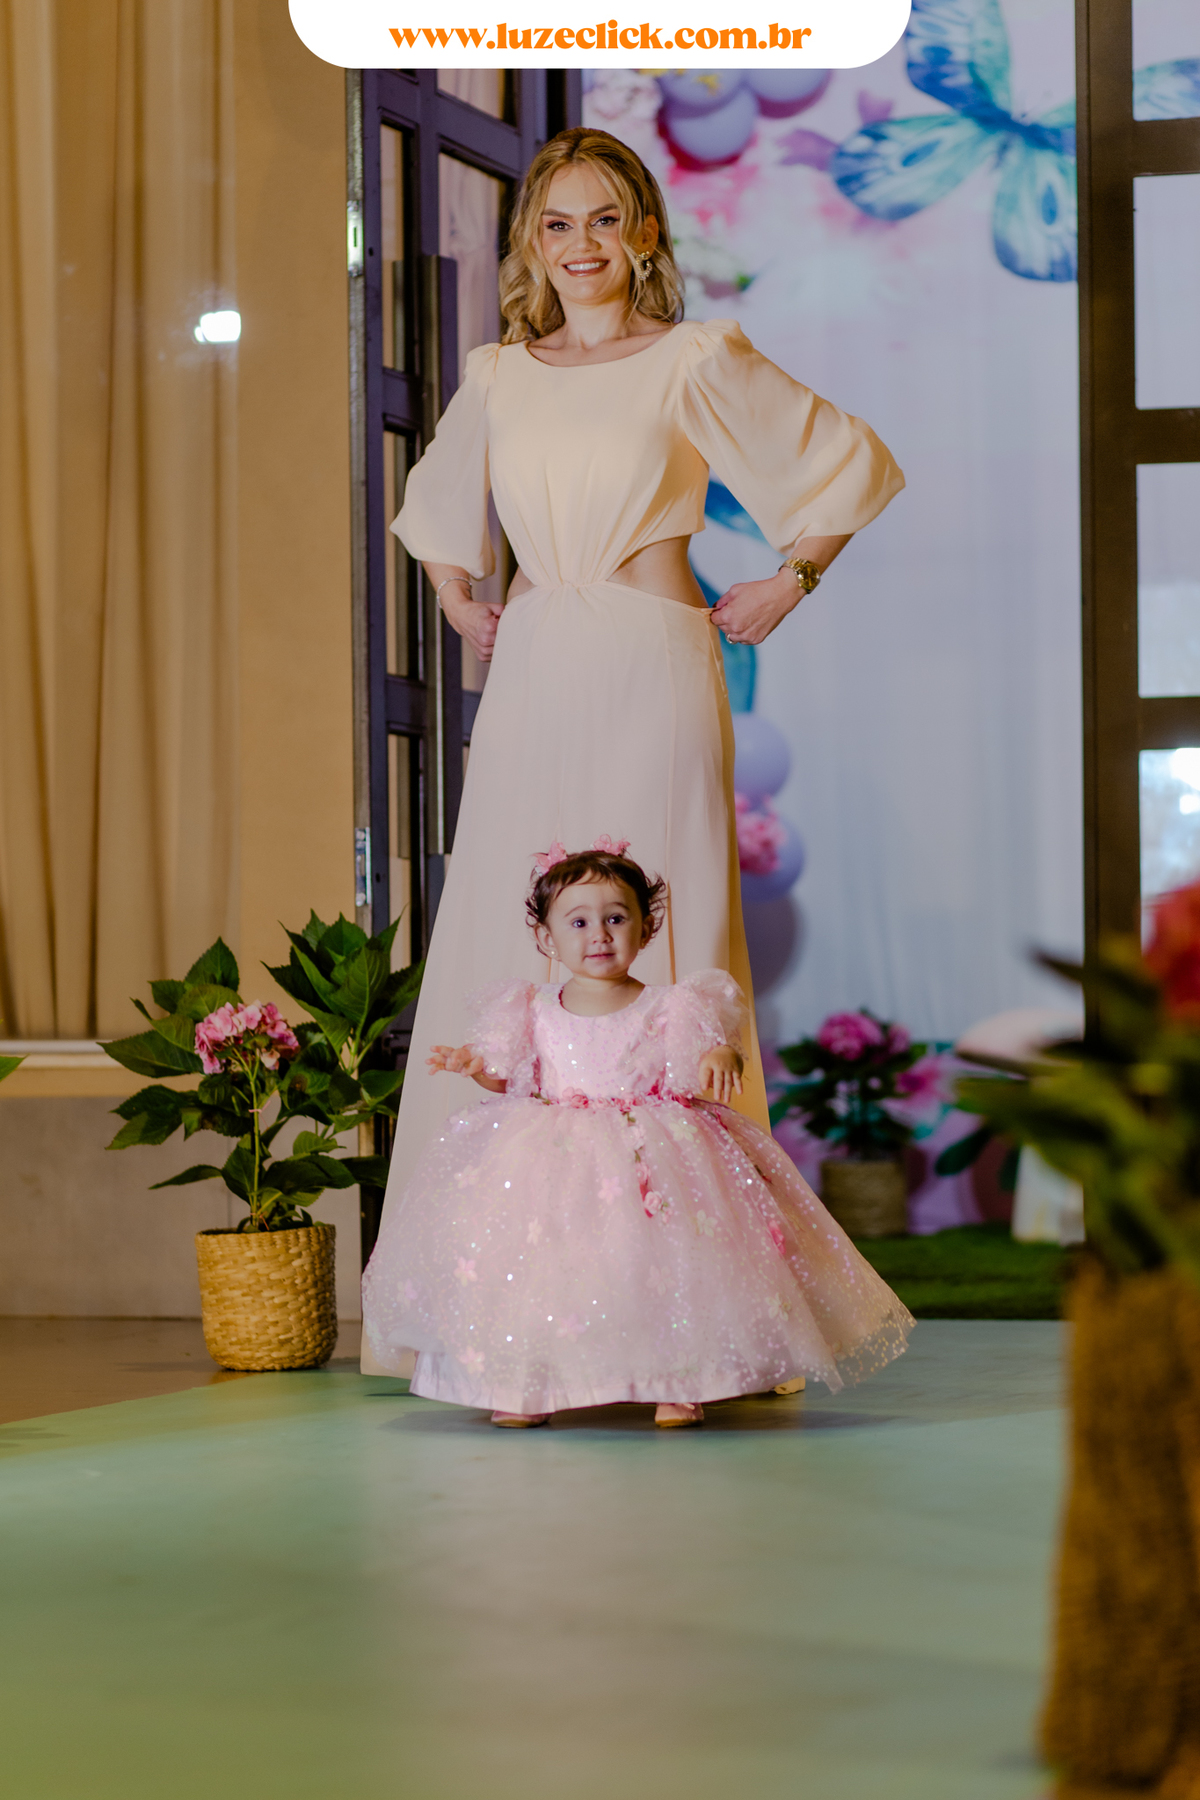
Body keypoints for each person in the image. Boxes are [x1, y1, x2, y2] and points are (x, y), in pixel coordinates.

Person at [382, 125, 904, 1213]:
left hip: (654, 669)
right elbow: (435, 504)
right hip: (535, 667)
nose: (582, 244)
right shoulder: (499, 375)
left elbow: (848, 462)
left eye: (605, 219)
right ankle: (512, 1248)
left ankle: (683, 1245)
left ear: (645, 233)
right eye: (558, 224)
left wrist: (791, 581)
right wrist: (459, 599)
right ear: (532, 242)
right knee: (514, 914)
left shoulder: (692, 357)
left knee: (664, 922)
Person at [362, 846, 914, 1426]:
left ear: (646, 928)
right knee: (543, 1268)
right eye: (578, 922)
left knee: (667, 1267)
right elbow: (510, 1076)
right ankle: (525, 1383)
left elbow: (701, 1053)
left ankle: (678, 1379)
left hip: (651, 1155)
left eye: (616, 918)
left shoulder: (672, 1004)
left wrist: (720, 1052)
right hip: (552, 1158)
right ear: (547, 938)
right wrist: (475, 1064)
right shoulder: (531, 1007)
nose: (599, 934)